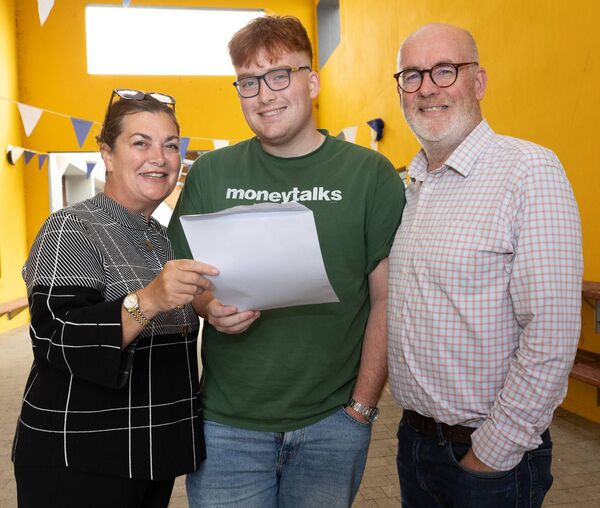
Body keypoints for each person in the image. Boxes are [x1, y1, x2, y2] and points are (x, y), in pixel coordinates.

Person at [168, 15, 405, 508]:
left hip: (331, 423)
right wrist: (209, 308)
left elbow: (387, 298)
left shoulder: (370, 174)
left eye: (280, 75)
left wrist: (361, 408)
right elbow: (186, 281)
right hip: (227, 425)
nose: (264, 94)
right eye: (249, 82)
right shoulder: (212, 172)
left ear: (312, 82)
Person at [388, 23, 583, 507]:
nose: (427, 87)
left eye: (445, 70)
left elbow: (552, 331)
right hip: (414, 444)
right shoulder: (413, 186)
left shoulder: (528, 171)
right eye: (411, 75)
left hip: (487, 458)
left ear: (478, 82)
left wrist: (492, 452)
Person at [12, 89, 218, 508]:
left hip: (148, 453)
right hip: (80, 456)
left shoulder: (164, 239)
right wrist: (150, 299)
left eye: (171, 145)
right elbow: (57, 336)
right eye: (140, 143)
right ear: (107, 154)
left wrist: (213, 307)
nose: (159, 157)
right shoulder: (72, 228)